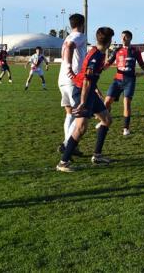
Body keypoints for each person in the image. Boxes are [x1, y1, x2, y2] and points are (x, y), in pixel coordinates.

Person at [57, 27, 115, 172]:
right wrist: (83, 101)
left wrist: (96, 91)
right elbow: (86, 80)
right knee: (80, 127)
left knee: (107, 120)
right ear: (109, 41)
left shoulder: (98, 53)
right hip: (82, 92)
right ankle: (63, 162)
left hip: (89, 92)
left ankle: (97, 156)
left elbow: (91, 78)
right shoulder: (96, 56)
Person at [102, 30, 144, 136]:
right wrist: (102, 66)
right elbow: (108, 63)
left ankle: (126, 128)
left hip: (129, 81)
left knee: (126, 103)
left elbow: (142, 64)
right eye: (122, 36)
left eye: (125, 36)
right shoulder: (117, 50)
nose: (123, 38)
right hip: (117, 80)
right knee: (107, 102)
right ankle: (104, 121)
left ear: (130, 38)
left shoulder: (135, 51)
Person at [57, 14, 87, 154]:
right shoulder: (79, 36)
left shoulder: (67, 37)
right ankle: (67, 144)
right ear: (82, 24)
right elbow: (70, 47)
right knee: (79, 113)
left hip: (62, 79)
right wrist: (70, 67)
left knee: (69, 113)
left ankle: (70, 145)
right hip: (73, 79)